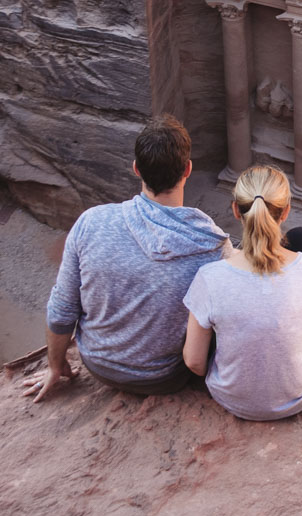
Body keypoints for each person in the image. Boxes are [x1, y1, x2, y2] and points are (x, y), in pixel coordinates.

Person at [25, 114, 230, 402]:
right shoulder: (212, 243)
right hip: (164, 376)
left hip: (97, 364)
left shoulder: (91, 222)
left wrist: (55, 367)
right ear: (187, 169)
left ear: (136, 169)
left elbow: (62, 307)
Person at [182, 165, 302, 421]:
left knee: (214, 317)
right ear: (286, 211)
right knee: (301, 238)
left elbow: (194, 362)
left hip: (233, 399)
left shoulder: (210, 277)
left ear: (236, 209)